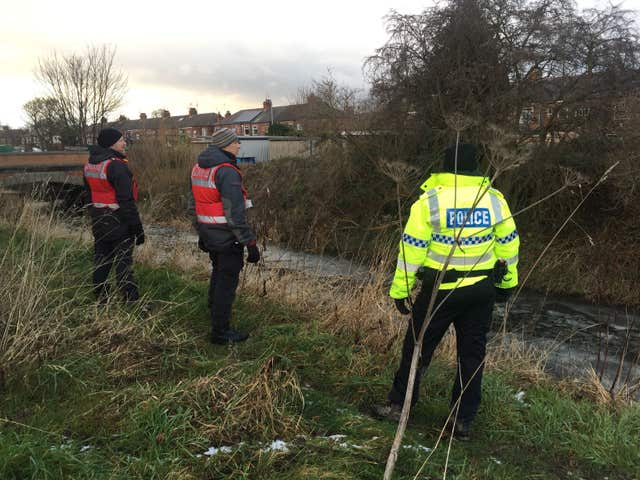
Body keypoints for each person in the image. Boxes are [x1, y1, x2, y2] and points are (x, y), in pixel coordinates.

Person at [373, 143, 519, 441]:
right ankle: (462, 422)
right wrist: (506, 284)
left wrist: (400, 290)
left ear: (445, 165)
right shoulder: (494, 200)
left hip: (440, 290)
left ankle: (400, 407)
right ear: (476, 167)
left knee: (417, 349)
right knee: (472, 355)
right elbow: (509, 244)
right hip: (481, 290)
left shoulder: (431, 201)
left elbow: (411, 251)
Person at [190, 128, 260, 344]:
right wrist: (250, 243)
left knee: (218, 274)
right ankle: (220, 332)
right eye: (236, 141)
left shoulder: (198, 168)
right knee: (226, 282)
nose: (239, 145)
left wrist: (200, 231)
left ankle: (214, 314)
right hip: (227, 236)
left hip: (210, 233)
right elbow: (234, 213)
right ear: (226, 144)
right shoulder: (227, 171)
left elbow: (192, 204)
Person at [84, 128, 144, 303]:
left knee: (101, 259)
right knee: (123, 263)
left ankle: (101, 297)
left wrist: (95, 215)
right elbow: (126, 201)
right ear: (111, 144)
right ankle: (130, 300)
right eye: (121, 140)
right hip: (119, 221)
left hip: (99, 220)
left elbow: (88, 195)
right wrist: (137, 228)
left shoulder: (90, 164)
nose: (124, 143)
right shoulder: (116, 165)